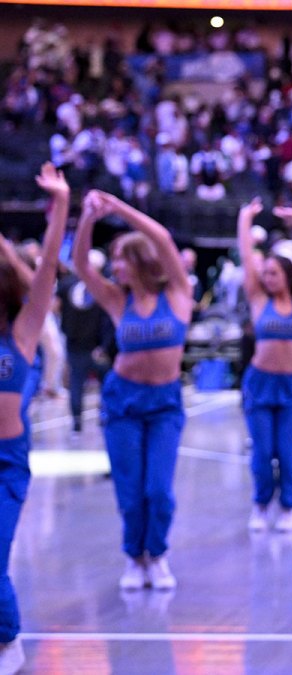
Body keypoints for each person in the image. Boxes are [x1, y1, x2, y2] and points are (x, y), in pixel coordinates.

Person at [74, 189, 195, 591]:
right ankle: (135, 556)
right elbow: (78, 264)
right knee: (130, 491)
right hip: (122, 401)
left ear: (139, 261)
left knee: (157, 490)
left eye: (120, 260)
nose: (114, 268)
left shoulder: (177, 294)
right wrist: (89, 218)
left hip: (163, 403)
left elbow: (160, 235)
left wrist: (119, 209)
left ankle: (156, 554)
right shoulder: (116, 299)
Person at [0, 163, 69, 671]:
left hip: (5, 463)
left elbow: (45, 269)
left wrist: (61, 205)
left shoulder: (21, 333)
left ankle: (7, 640)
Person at [237, 199, 292, 531]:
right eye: (264, 272)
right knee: (263, 453)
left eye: (273, 272)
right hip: (260, 383)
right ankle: (261, 502)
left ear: (286, 275)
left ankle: (287, 505)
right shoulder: (258, 300)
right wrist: (245, 219)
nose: (267, 277)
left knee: (288, 453)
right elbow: (245, 257)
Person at [57, 248, 114, 435]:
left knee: (76, 383)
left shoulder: (66, 284)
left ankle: (76, 422)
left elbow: (56, 309)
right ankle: (104, 417)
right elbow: (109, 320)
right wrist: (105, 345)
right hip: (97, 346)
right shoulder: (104, 288)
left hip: (75, 344)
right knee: (105, 383)